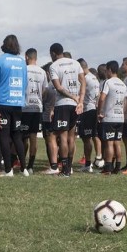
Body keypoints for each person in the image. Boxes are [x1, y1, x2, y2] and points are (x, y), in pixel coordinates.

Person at [0, 34, 29, 177]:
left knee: (4, 136)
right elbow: (25, 83)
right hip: (17, 103)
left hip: (3, 103)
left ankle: (8, 170)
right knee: (17, 136)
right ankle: (24, 168)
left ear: (4, 45)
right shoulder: (22, 62)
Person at [47, 43, 85, 176]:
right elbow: (83, 81)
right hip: (75, 106)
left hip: (63, 104)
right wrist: (80, 100)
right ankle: (69, 167)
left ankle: (65, 169)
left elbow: (58, 87)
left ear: (53, 53)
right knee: (71, 137)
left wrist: (73, 97)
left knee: (63, 137)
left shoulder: (54, 66)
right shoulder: (75, 63)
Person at [97, 60, 127, 175]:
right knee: (117, 143)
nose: (105, 73)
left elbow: (101, 98)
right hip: (119, 117)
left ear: (109, 70)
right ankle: (117, 167)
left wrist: (99, 111)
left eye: (106, 71)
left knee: (109, 143)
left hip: (109, 117)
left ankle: (108, 168)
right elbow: (124, 102)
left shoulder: (108, 82)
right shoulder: (123, 84)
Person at [23, 48, 47, 175]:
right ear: (36, 58)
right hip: (37, 107)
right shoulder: (42, 72)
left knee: (22, 137)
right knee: (33, 137)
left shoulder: (24, 69)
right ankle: (30, 165)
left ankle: (21, 162)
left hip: (24, 107)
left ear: (26, 57)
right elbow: (45, 90)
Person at [77, 59, 101, 172]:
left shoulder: (85, 79)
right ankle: (92, 161)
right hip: (93, 109)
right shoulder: (94, 77)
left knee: (87, 138)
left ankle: (88, 164)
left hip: (87, 110)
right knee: (90, 137)